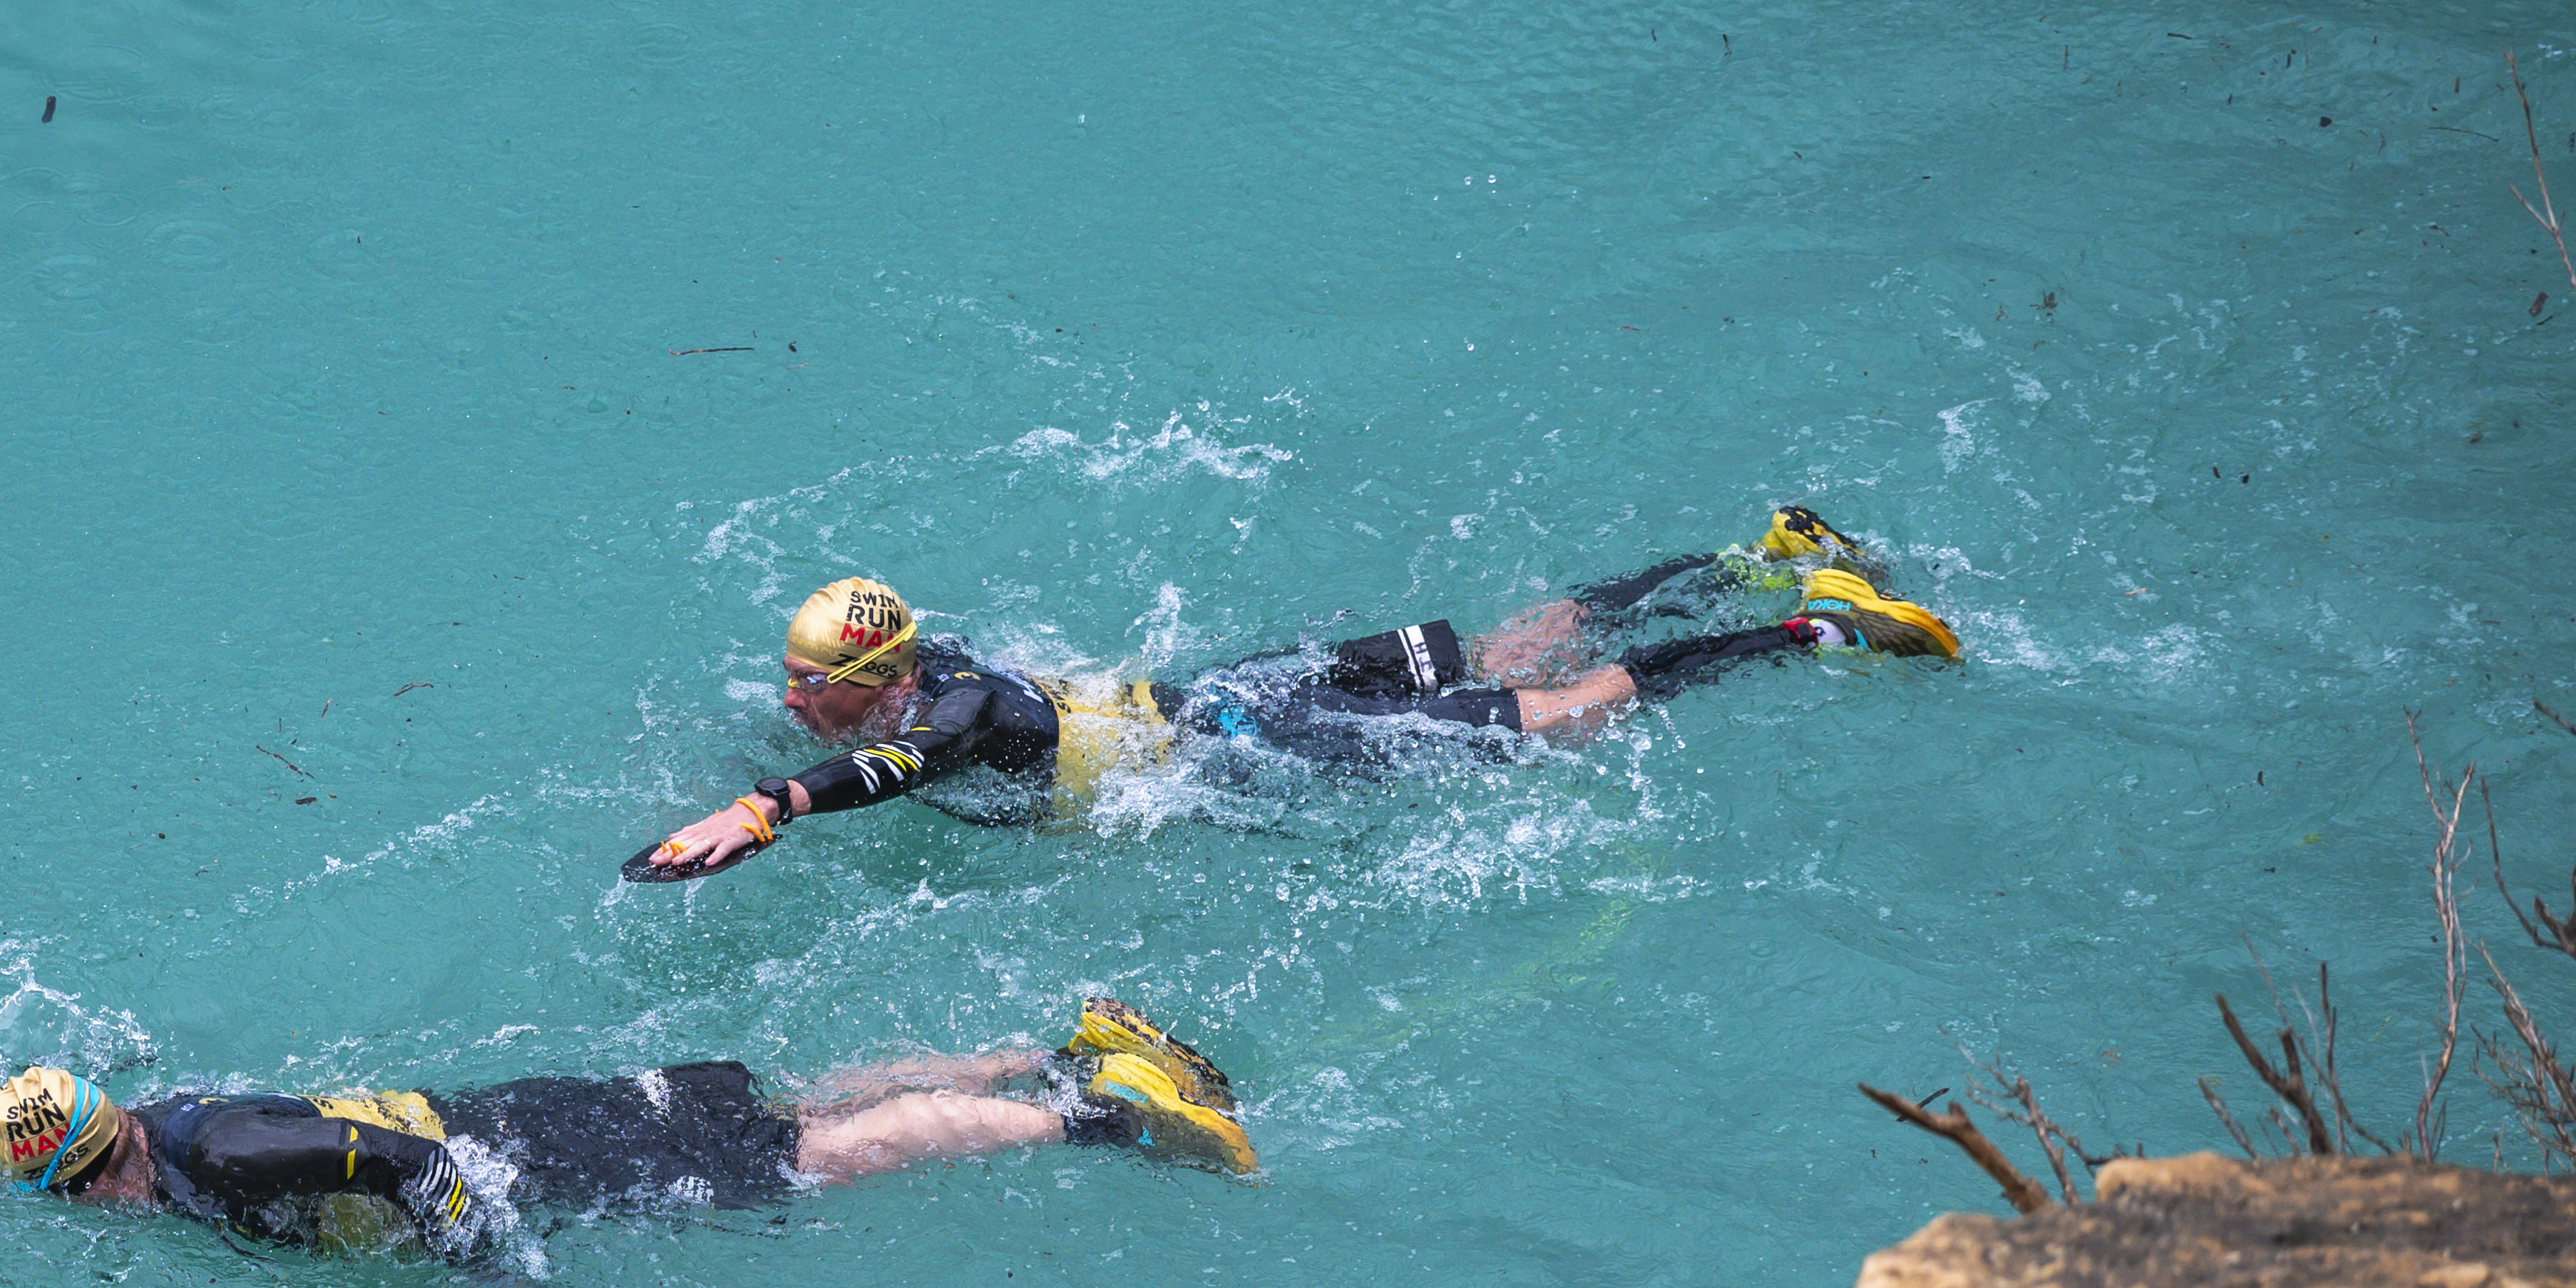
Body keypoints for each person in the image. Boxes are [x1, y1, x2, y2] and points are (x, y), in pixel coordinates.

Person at [632, 507, 1961, 879]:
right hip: (1209, 694)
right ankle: (1754, 550)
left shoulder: (954, 717)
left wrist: (770, 806)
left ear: (876, 682)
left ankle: (1804, 625)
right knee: (1508, 645)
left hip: (1247, 736)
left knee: (1554, 716)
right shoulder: (935, 661)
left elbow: (893, 773)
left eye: (809, 687)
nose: (788, 700)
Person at [0, 998, 1246, 1267]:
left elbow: (430, 1174)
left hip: (515, 1154)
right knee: (778, 1107)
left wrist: (494, 1267)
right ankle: (1057, 1040)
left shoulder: (227, 1154)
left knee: (803, 1161)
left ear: (112, 1150)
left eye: (89, 1180)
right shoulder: (87, 1136)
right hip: (514, 1112)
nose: (90, 1199)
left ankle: (1080, 1112)